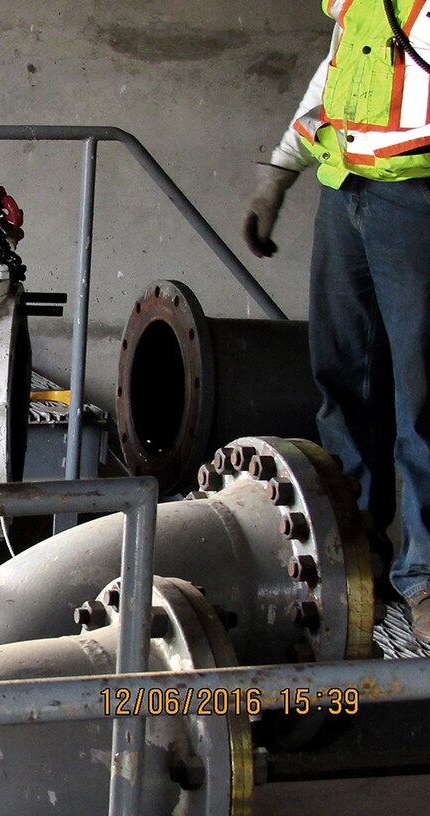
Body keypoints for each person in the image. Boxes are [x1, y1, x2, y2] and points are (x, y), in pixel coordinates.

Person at [243, 0, 430, 639]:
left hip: (418, 199)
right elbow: (335, 72)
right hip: (344, 190)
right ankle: (354, 559)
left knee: (423, 397)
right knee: (344, 380)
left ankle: (426, 575)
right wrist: (279, 170)